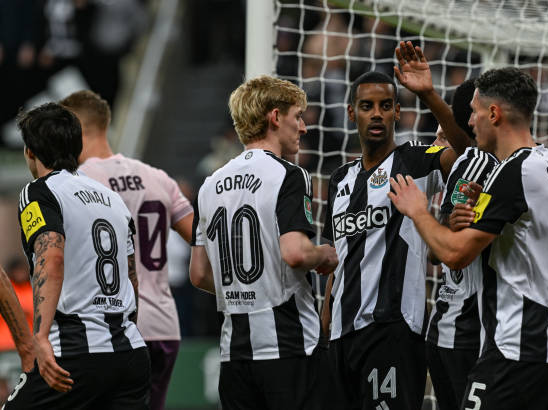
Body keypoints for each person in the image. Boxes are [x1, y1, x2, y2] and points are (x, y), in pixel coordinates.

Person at [388, 66, 548, 409]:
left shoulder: (514, 172)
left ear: (493, 114)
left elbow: (454, 254)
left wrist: (417, 210)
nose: (469, 121)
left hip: (518, 350)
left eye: (474, 112)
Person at [321, 40, 471, 409]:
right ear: (351, 112)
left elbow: (467, 152)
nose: (377, 114)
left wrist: (429, 94)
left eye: (385, 106)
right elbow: (337, 259)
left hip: (392, 330)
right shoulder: (339, 180)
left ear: (397, 112)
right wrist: (325, 326)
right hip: (340, 335)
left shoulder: (415, 160)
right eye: (367, 106)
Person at [189, 75, 338, 410]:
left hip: (234, 355)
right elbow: (295, 252)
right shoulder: (288, 175)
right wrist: (324, 254)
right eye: (297, 116)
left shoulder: (209, 184)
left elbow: (198, 274)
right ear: (275, 117)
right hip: (289, 347)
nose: (303, 127)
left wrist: (246, 291)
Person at [6, 102, 149, 409]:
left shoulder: (39, 192)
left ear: (30, 151)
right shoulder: (113, 200)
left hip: (75, 353)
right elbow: (131, 276)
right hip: (130, 352)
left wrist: (40, 338)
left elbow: (52, 257)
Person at [59, 89, 193, 410]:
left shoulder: (76, 183)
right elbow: (201, 237)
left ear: (75, 129)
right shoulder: (158, 178)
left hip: (110, 330)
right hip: (163, 324)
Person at [424, 78, 499, 410]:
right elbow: (439, 250)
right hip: (464, 331)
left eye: (444, 137)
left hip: (462, 331)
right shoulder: (474, 163)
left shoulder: (489, 163)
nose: (437, 145)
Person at [0, 258, 34, 402]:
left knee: (23, 383)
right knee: (6, 388)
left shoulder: (32, 289)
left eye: (22, 270)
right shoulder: (6, 289)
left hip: (28, 347)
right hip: (5, 348)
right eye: (17, 271)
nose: (20, 274)